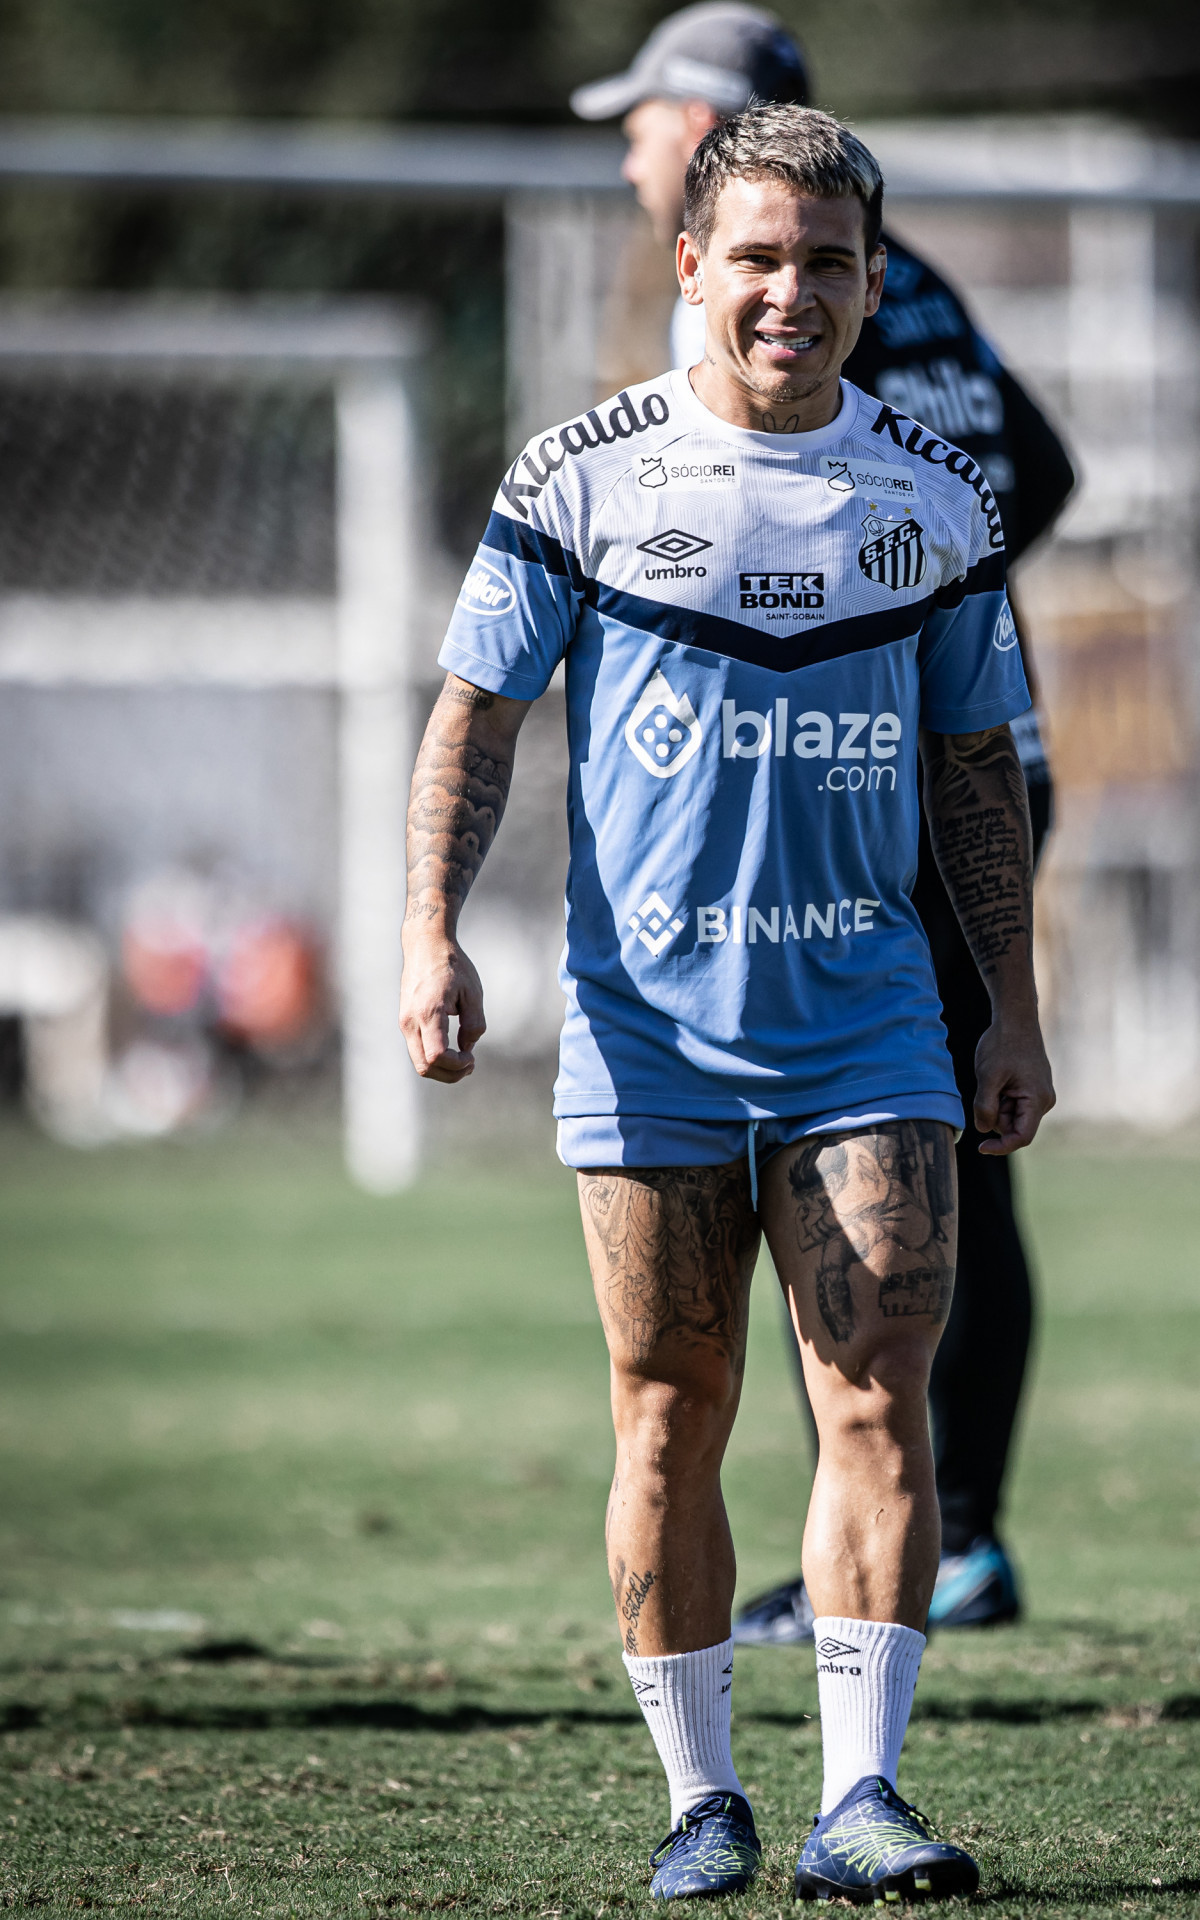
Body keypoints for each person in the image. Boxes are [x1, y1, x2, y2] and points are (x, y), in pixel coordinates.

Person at [400, 104, 1055, 1901]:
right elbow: (477, 715)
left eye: (829, 261)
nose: (793, 293)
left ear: (869, 277)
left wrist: (1011, 1006)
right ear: (691, 266)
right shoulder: (580, 477)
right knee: (669, 1408)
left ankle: (861, 1802)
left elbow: (976, 764)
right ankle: (703, 1803)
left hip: (871, 1027)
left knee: (874, 1403)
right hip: (649, 1035)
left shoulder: (933, 496)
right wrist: (426, 938)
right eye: (758, 256)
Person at [572, 1, 1075, 1638]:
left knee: (920, 1146)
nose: (631, 145)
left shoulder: (814, 301)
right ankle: (925, 1518)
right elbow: (1046, 468)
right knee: (922, 1154)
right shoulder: (885, 275)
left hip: (928, 764)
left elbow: (997, 494)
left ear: (711, 120)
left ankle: (942, 1526)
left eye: (644, 115)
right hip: (925, 742)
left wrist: (906, 605)